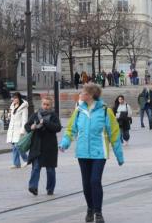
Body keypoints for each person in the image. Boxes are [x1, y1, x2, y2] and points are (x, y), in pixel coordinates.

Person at [60, 84, 124, 223]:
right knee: (86, 184)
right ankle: (90, 208)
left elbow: (114, 133)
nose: (80, 93)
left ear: (90, 94)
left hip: (99, 152)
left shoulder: (105, 111)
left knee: (95, 181)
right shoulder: (78, 111)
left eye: (83, 92)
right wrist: (65, 143)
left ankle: (98, 212)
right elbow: (71, 129)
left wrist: (119, 155)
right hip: (82, 152)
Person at [25, 97, 62, 196]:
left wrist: (45, 122)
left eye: (47, 105)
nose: (45, 106)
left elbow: (58, 128)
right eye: (44, 104)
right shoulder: (36, 115)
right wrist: (31, 127)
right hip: (37, 146)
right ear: (41, 104)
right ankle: (33, 187)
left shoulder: (54, 115)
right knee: (36, 167)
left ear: (51, 105)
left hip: (50, 147)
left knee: (50, 169)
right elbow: (27, 126)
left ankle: (50, 188)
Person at [6, 92, 29, 169]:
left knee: (18, 146)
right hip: (12, 130)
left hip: (19, 129)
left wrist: (23, 130)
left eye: (16, 98)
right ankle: (16, 163)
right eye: (13, 98)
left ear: (19, 98)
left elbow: (24, 119)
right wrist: (9, 114)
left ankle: (27, 160)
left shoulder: (23, 107)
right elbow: (11, 118)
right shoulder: (12, 106)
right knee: (14, 147)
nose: (14, 99)